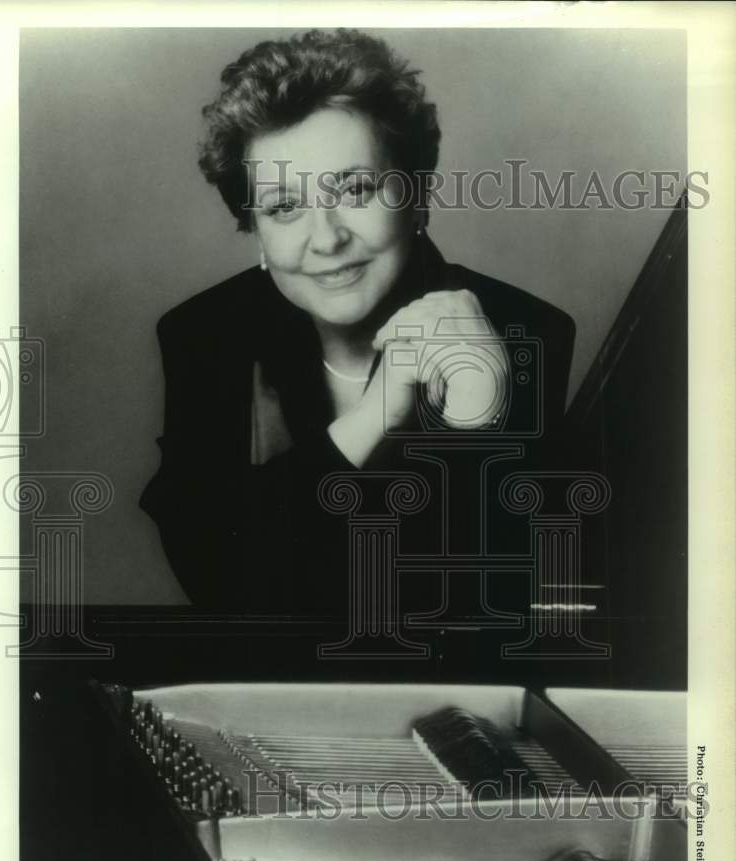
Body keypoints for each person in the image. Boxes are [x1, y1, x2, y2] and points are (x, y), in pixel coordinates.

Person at [140, 29, 574, 623]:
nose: (326, 239)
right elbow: (218, 580)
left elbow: (498, 605)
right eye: (284, 207)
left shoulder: (523, 330)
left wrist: (478, 420)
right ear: (256, 231)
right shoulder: (206, 336)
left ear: (416, 196)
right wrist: (370, 419)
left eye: (356, 190)